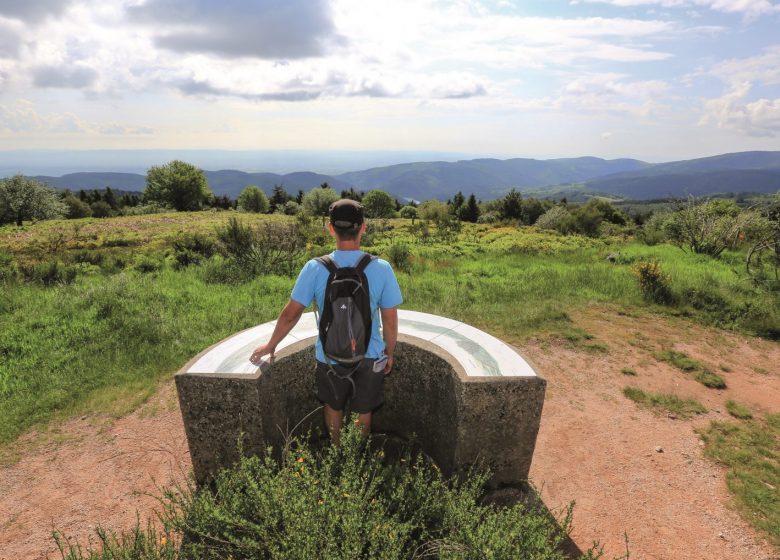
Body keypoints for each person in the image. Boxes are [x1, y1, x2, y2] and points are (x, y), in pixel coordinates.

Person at [249, 199, 403, 444]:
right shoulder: (381, 268)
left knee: (333, 405)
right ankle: (357, 456)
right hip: (370, 354)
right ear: (363, 228)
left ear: (331, 229)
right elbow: (390, 321)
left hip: (328, 357)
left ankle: (337, 450)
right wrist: (390, 353)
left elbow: (291, 314)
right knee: (364, 410)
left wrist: (270, 345)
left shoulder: (314, 268)